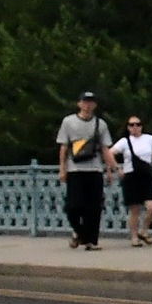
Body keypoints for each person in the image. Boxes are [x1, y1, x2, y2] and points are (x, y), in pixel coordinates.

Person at [54, 92, 115, 251]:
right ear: (79, 104)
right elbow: (64, 147)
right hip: (75, 169)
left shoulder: (100, 124)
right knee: (74, 206)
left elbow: (105, 149)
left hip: (94, 169)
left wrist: (109, 169)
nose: (88, 105)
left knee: (94, 207)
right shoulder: (69, 122)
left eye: (91, 102)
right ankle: (79, 231)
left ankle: (91, 241)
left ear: (94, 105)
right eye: (85, 102)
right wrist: (62, 168)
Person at [113, 115, 152, 246]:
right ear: (128, 127)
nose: (135, 127)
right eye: (132, 125)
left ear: (142, 126)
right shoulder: (124, 141)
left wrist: (147, 164)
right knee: (134, 209)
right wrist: (117, 168)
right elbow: (110, 153)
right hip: (131, 176)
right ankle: (134, 237)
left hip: (146, 176)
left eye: (138, 124)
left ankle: (144, 230)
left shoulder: (150, 139)